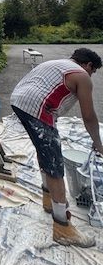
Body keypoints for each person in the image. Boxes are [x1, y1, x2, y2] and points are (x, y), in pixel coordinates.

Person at [10, 47, 102, 247]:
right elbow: (89, 117)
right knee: (55, 164)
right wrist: (98, 144)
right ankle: (62, 227)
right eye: (93, 71)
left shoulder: (57, 64)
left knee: (45, 149)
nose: (91, 75)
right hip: (36, 108)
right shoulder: (81, 75)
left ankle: (48, 198)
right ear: (88, 65)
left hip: (18, 101)